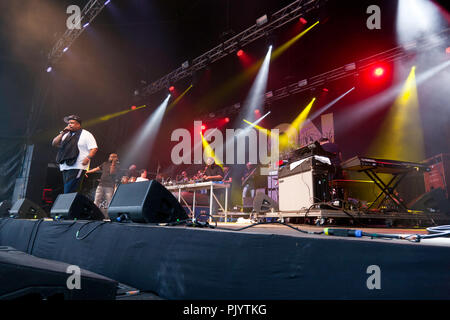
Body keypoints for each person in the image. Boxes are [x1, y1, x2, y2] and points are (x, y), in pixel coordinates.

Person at [52, 115, 98, 194]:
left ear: (78, 124)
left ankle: (68, 205)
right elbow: (54, 143)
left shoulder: (86, 134)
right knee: (69, 189)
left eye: (72, 123)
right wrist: (62, 132)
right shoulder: (66, 135)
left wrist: (88, 158)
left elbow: (94, 148)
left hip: (78, 165)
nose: (69, 125)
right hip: (65, 166)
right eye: (69, 123)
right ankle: (72, 205)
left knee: (69, 189)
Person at [86, 153, 119, 218]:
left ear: (116, 158)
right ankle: (93, 215)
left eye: (113, 157)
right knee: (96, 200)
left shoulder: (117, 166)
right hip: (101, 185)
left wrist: (113, 163)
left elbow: (112, 172)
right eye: (110, 156)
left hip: (109, 186)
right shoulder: (104, 163)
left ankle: (109, 216)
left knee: (109, 201)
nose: (111, 158)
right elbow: (96, 168)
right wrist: (87, 172)